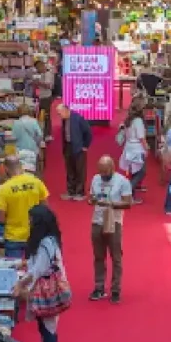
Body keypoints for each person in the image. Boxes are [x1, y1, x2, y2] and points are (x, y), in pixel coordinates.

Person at [14, 205, 69, 342]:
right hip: (47, 287)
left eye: (31, 219)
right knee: (45, 324)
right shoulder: (49, 240)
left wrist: (20, 284)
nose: (29, 222)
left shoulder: (46, 242)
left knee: (48, 326)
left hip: (47, 290)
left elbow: (38, 269)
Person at [89, 156, 133, 303]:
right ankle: (99, 287)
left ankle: (115, 289)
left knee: (116, 257)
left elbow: (128, 203)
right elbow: (90, 197)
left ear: (112, 168)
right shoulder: (95, 179)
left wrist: (110, 204)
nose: (102, 175)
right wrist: (92, 200)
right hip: (97, 221)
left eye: (105, 172)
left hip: (114, 221)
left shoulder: (122, 181)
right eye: (100, 171)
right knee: (98, 256)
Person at [0, 155, 49, 258]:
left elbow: (1, 218)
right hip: (34, 233)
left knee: (14, 270)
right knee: (33, 269)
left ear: (5, 168)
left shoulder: (5, 188)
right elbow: (45, 208)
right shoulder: (36, 182)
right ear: (21, 166)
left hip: (14, 236)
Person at [59, 103, 92, 200]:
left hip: (78, 147)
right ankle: (70, 191)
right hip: (68, 146)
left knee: (80, 170)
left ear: (65, 111)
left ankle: (80, 192)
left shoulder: (78, 118)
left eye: (60, 113)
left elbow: (88, 132)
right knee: (70, 170)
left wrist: (85, 145)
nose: (59, 115)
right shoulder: (64, 120)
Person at [119, 103, 149, 201]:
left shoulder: (129, 120)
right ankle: (128, 191)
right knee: (141, 172)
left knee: (133, 171)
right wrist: (146, 148)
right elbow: (141, 137)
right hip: (137, 149)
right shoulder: (138, 121)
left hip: (129, 148)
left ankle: (131, 195)